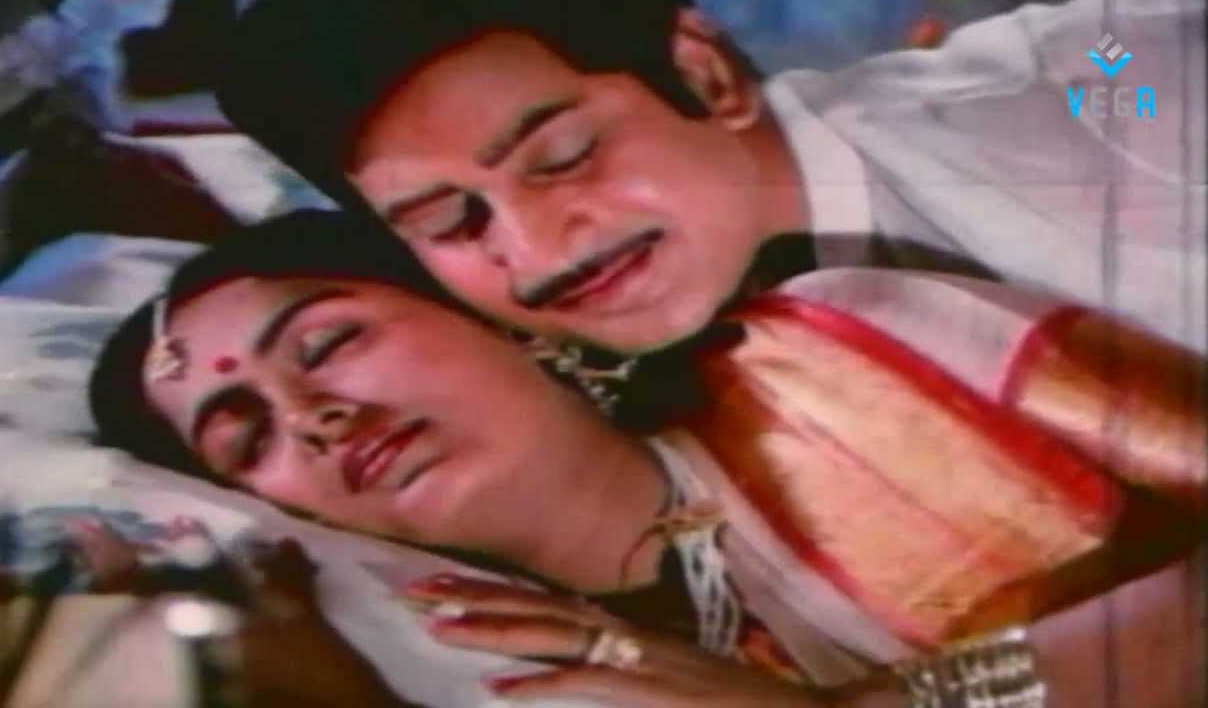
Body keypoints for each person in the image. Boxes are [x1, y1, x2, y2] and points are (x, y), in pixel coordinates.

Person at [91, 211, 1204, 707]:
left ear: (498, 317)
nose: (311, 415)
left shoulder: (846, 345)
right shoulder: (507, 674)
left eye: (326, 344)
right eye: (247, 439)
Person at [213, 0, 1205, 356]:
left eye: (561, 158)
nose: (535, 245)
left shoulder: (1114, 97)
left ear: (705, 75)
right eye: (446, 221)